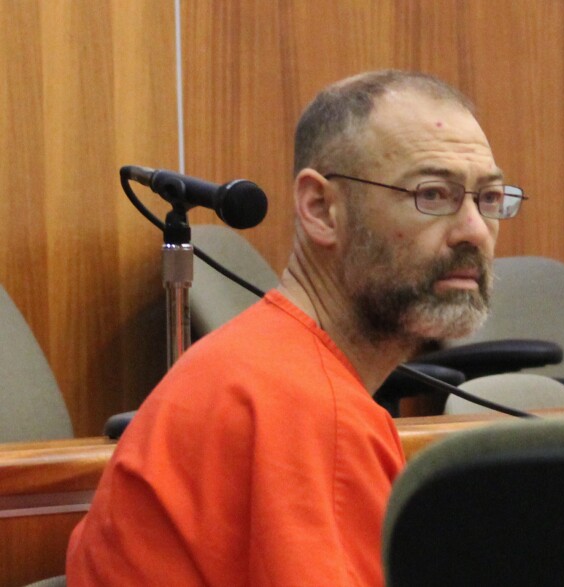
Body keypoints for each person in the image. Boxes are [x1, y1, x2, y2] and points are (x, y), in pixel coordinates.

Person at [66, 69, 526, 586]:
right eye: (433, 194)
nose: (474, 231)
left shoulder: (274, 368)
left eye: (489, 198)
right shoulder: (304, 408)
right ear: (321, 209)